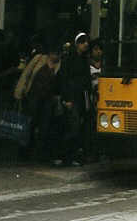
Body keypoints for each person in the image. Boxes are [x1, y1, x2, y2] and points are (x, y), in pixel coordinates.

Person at [59, 32, 91, 166]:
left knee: (77, 126)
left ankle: (71, 156)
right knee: (73, 126)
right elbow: (64, 79)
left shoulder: (84, 59)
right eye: (83, 42)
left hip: (80, 97)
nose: (86, 44)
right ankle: (66, 156)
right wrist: (66, 99)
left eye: (86, 42)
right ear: (77, 44)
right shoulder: (69, 59)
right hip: (71, 97)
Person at [24, 47, 62, 162]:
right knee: (31, 123)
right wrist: (20, 91)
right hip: (35, 96)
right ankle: (27, 151)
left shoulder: (59, 65)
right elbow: (27, 74)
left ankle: (38, 152)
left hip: (47, 99)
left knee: (44, 125)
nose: (56, 56)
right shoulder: (39, 59)